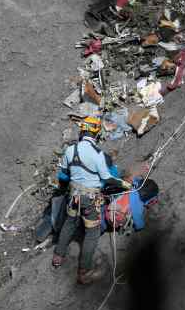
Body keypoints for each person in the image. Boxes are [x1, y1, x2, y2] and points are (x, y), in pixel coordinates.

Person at [51, 116, 131, 284]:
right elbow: (108, 178)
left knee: (69, 223)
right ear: (96, 134)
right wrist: (125, 184)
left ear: (82, 131)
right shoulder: (98, 154)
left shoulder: (70, 150)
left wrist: (66, 188)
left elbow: (63, 176)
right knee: (92, 234)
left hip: (73, 196)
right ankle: (84, 272)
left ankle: (58, 256)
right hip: (90, 198)